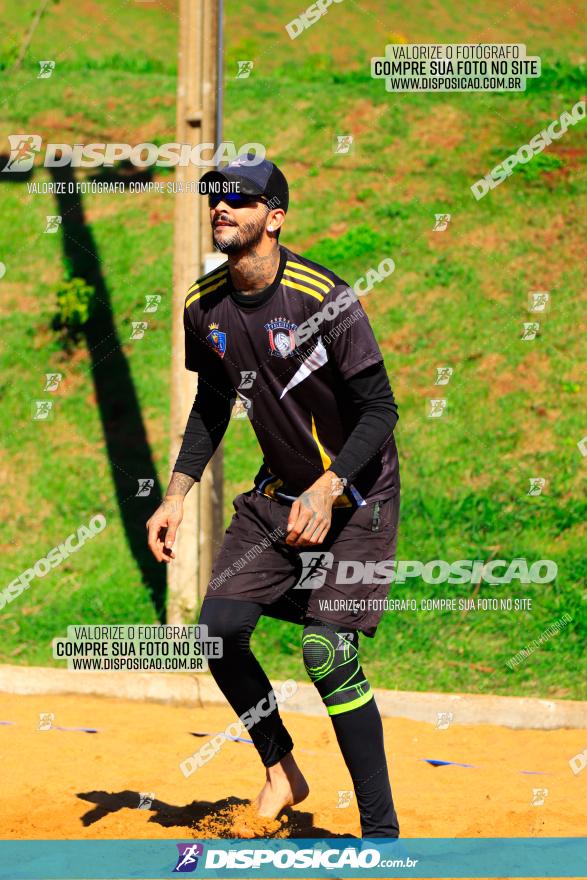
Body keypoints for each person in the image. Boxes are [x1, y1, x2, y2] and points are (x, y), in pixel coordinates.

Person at [147, 154, 401, 837]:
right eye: (214, 198)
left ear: (275, 217)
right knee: (220, 630)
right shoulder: (204, 304)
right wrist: (174, 496)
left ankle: (379, 833)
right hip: (281, 494)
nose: (221, 207)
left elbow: (380, 410)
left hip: (360, 492)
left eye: (239, 199)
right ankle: (281, 769)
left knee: (324, 650)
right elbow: (210, 405)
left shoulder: (324, 297)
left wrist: (328, 485)